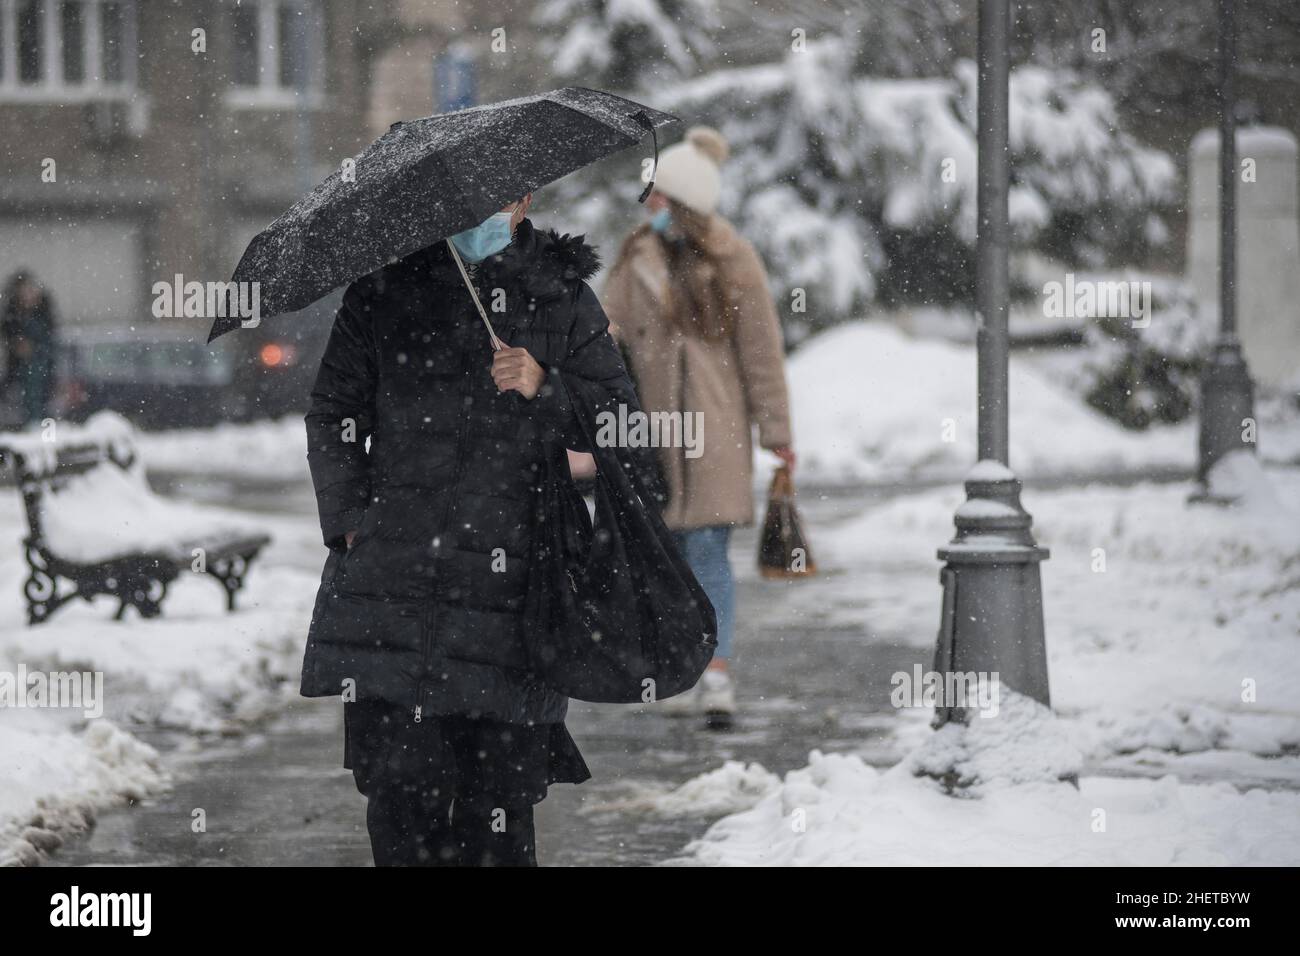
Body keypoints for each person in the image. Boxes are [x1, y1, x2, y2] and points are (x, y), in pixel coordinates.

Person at [301, 193, 645, 866]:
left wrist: (546, 386)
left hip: (513, 589)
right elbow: (332, 411)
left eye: (506, 196)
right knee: (402, 802)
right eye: (471, 199)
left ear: (528, 200)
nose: (488, 211)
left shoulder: (561, 297)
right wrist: (347, 521)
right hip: (395, 588)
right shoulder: (384, 290)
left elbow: (621, 427)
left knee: (500, 808)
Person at [602, 127, 795, 729]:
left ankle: (715, 673)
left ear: (686, 202)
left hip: (715, 433)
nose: (650, 206)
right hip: (652, 436)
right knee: (668, 558)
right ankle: (682, 665)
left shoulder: (733, 260)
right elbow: (605, 337)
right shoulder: (636, 258)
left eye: (659, 197)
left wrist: (777, 432)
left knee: (707, 551)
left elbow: (761, 351)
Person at [1, 271, 58, 427]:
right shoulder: (13, 315)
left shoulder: (43, 314)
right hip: (20, 374)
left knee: (42, 410)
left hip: (41, 371)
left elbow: (49, 340)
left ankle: (42, 437)